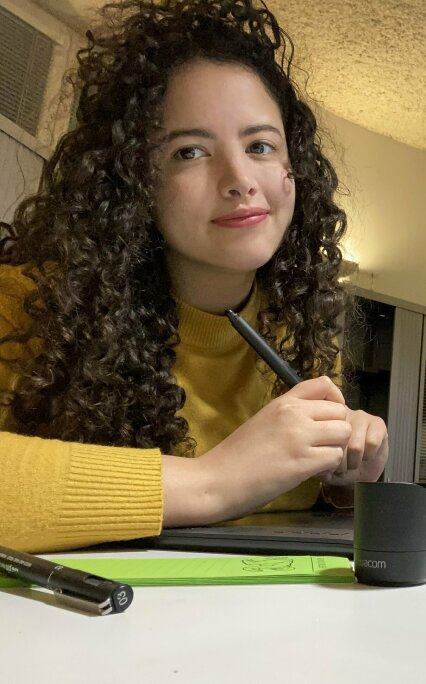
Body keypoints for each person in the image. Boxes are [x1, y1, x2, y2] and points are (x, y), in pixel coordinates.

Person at [0, 0, 388, 554]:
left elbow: (297, 496)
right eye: (189, 151)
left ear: (292, 169)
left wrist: (348, 480)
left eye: (259, 146)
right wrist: (212, 482)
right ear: (135, 181)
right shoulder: (26, 306)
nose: (239, 180)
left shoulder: (300, 329)